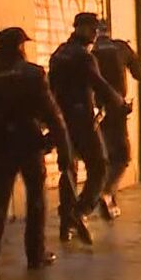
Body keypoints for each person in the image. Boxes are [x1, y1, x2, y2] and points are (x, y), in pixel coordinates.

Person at [0, 27, 70, 280]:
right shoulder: (32, 74)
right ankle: (35, 254)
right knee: (35, 199)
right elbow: (53, 115)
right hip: (28, 142)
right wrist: (64, 150)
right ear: (19, 47)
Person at [48, 12, 127, 243]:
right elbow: (99, 85)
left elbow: (51, 88)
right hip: (82, 119)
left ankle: (66, 224)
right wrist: (119, 103)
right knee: (99, 167)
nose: (95, 33)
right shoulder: (84, 57)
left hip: (61, 119)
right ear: (80, 28)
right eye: (92, 28)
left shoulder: (59, 54)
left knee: (68, 170)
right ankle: (80, 210)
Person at [91, 20, 140, 219]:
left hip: (93, 111)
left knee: (103, 155)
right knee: (122, 156)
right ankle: (106, 192)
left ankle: (108, 198)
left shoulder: (89, 52)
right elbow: (139, 73)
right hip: (116, 109)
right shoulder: (120, 48)